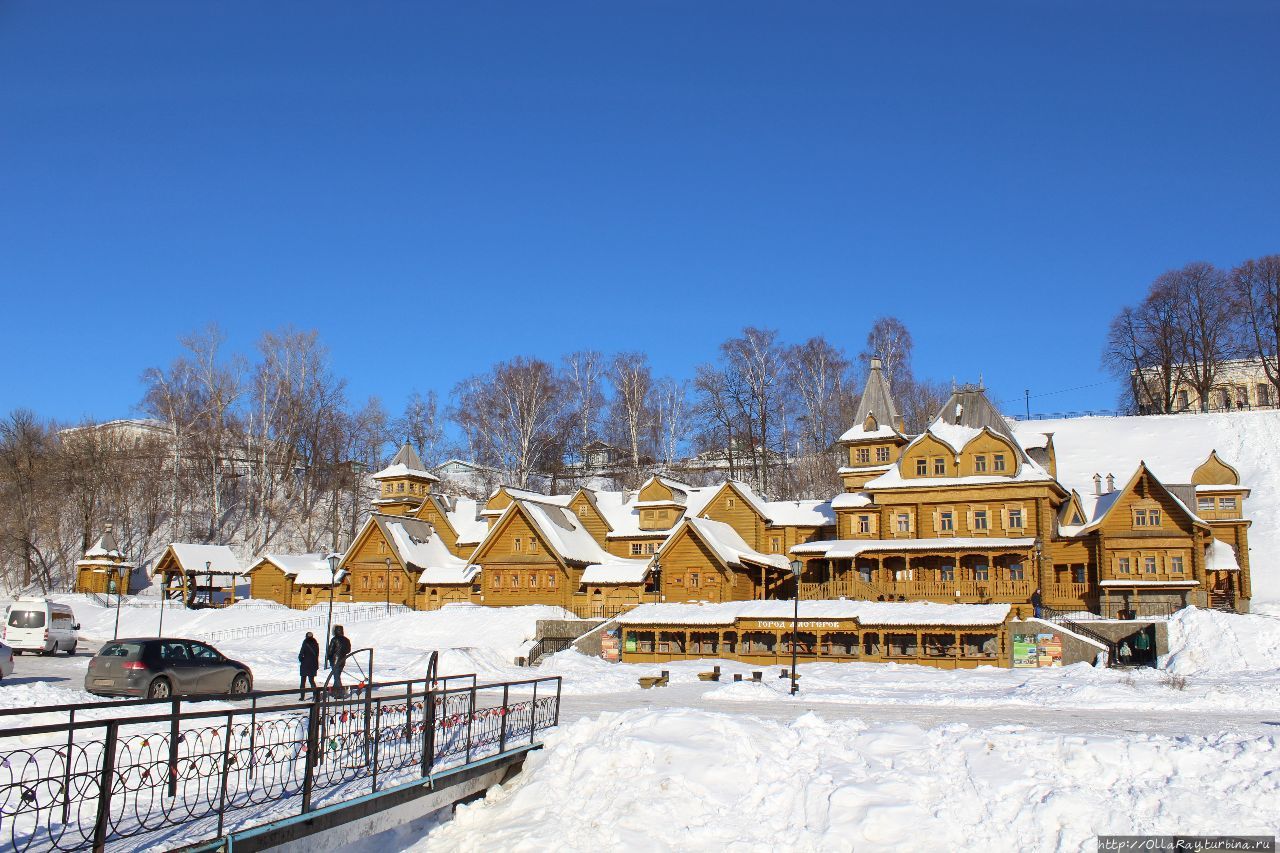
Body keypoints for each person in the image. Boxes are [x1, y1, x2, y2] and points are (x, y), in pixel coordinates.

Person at [326, 625, 352, 698]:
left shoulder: (334, 639)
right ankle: (335, 691)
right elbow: (348, 650)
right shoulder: (346, 639)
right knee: (337, 676)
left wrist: (328, 657)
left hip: (334, 660)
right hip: (342, 660)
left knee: (336, 677)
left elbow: (330, 650)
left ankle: (340, 693)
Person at [298, 631, 319, 700]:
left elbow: (301, 654)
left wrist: (302, 659)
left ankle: (302, 697)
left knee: (303, 681)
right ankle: (315, 696)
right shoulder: (316, 643)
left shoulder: (305, 642)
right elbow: (317, 655)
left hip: (305, 664)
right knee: (311, 680)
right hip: (313, 664)